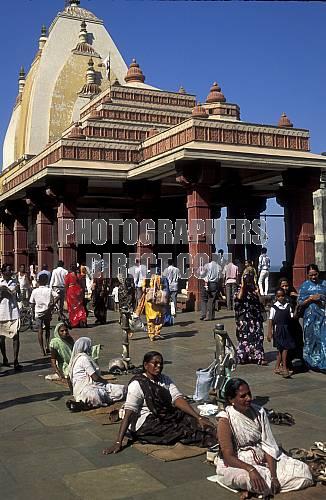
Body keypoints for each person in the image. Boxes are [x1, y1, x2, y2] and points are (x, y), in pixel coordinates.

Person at [103, 351, 216, 454]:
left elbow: (177, 398)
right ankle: (212, 441)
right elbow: (129, 413)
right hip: (146, 422)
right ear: (146, 365)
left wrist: (198, 417)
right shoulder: (138, 384)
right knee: (182, 431)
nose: (159, 366)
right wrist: (118, 442)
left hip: (165, 415)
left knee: (193, 421)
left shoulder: (164, 379)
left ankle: (218, 435)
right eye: (155, 363)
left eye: (161, 364)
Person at [216, 378, 313, 498]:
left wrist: (274, 476)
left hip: (264, 458)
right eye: (243, 396)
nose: (249, 398)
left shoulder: (259, 412)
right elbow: (228, 456)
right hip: (238, 463)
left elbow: (268, 445)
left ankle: (261, 488)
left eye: (249, 394)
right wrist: (251, 470)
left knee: (304, 473)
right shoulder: (225, 419)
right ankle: (257, 487)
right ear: (231, 400)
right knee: (248, 479)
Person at [68, 337, 126, 407]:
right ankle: (83, 404)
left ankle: (83, 404)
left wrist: (73, 393)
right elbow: (95, 377)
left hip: (79, 392)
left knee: (114, 390)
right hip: (87, 389)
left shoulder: (77, 358)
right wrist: (105, 382)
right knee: (120, 390)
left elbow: (68, 378)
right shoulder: (83, 359)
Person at [235, 267, 267, 365]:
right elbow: (238, 299)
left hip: (255, 318)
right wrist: (243, 286)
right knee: (244, 338)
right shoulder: (240, 288)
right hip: (244, 318)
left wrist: (257, 293)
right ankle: (243, 356)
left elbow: (262, 303)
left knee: (257, 337)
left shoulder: (255, 288)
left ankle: (258, 356)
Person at [298, 264, 326, 371]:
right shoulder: (304, 286)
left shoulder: (324, 284)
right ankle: (310, 363)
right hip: (309, 318)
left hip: (322, 317)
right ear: (307, 275)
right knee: (311, 339)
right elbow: (300, 303)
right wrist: (310, 299)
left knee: (323, 339)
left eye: (315, 274)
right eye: (311, 275)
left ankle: (323, 363)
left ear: (318, 273)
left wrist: (321, 296)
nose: (313, 277)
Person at [267, 288, 295, 378]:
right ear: (276, 297)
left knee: (282, 349)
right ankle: (284, 367)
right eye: (278, 296)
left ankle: (277, 367)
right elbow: (270, 320)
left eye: (282, 296)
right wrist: (269, 332)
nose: (281, 298)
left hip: (287, 329)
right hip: (278, 330)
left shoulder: (288, 306)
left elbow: (291, 317)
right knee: (283, 348)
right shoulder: (274, 307)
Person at [0, 264, 22, 371]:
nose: (11, 272)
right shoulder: (0, 282)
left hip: (13, 312)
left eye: (11, 270)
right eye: (8, 270)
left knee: (16, 336)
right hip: (2, 313)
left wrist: (18, 291)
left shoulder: (15, 282)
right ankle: (4, 357)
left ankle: (16, 360)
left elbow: (19, 299)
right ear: (3, 272)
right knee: (1, 338)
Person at [278, 277, 303, 363]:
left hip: (295, 323)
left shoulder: (292, 295)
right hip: (285, 325)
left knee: (298, 342)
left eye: (286, 286)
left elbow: (301, 303)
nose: (285, 288)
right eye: (283, 286)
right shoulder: (279, 298)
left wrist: (297, 296)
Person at [29, 273, 55, 356]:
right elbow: (57, 296)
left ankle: (42, 350)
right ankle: (47, 346)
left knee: (40, 330)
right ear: (46, 281)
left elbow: (31, 303)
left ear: (39, 281)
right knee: (47, 328)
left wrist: (32, 312)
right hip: (47, 311)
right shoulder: (49, 290)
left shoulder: (35, 291)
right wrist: (52, 305)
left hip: (38, 312)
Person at [143, 273, 167, 341]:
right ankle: (157, 331)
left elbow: (143, 288)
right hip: (158, 300)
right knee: (160, 318)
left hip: (150, 302)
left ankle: (151, 334)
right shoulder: (160, 277)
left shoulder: (146, 276)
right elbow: (163, 287)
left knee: (150, 320)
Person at [65, 264, 87, 328]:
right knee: (79, 306)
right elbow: (83, 285)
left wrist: (66, 293)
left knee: (72, 308)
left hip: (71, 291)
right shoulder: (79, 276)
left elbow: (66, 285)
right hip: (78, 291)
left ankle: (74, 322)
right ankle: (81, 319)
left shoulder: (68, 276)